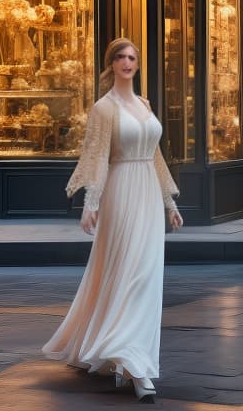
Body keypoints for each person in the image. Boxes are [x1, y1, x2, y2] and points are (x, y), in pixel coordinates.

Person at [42, 37, 183, 403]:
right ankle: (133, 364)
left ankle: (127, 354)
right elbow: (96, 158)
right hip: (120, 193)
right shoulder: (103, 109)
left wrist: (169, 201)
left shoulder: (145, 104)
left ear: (138, 64)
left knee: (147, 276)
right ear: (111, 64)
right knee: (128, 273)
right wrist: (91, 203)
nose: (127, 61)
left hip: (148, 194)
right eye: (120, 56)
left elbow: (155, 157)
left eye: (132, 57)